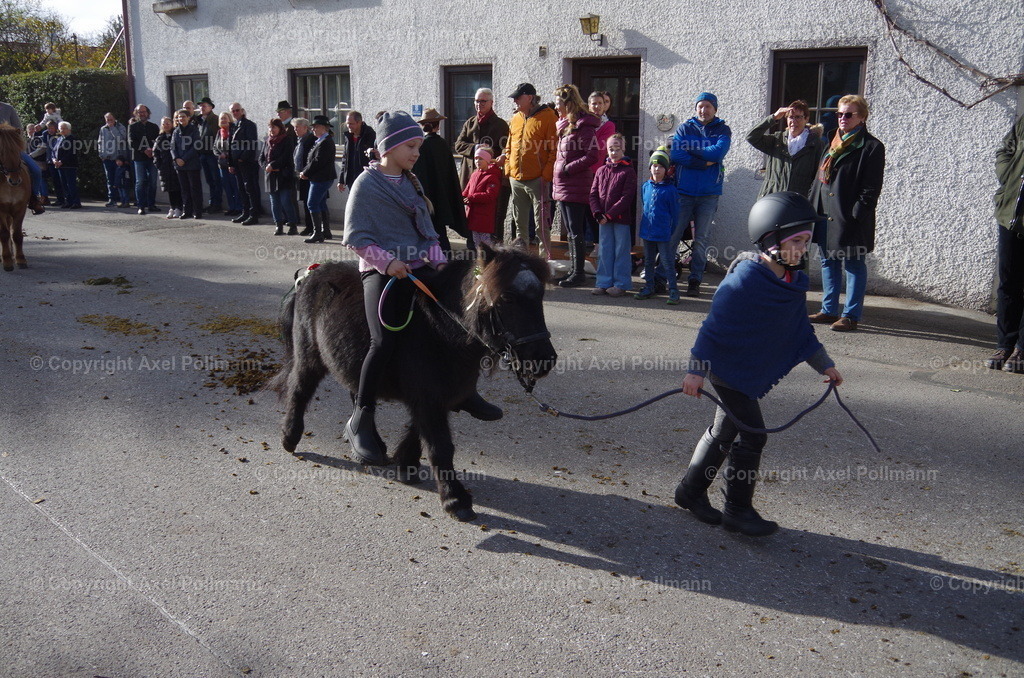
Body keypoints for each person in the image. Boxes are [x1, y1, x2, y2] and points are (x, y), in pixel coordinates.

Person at [678, 191, 842, 536]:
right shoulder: (746, 279)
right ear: (770, 239)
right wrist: (696, 370)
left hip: (744, 371)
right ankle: (737, 509)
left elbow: (800, 331)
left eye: (807, 241)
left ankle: (690, 492)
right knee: (753, 436)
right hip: (725, 367)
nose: (802, 248)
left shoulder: (792, 282)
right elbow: (713, 328)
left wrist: (824, 365)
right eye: (796, 240)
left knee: (724, 431)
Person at [341, 110, 448, 464]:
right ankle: (362, 417)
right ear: (389, 147)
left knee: (455, 320)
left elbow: (427, 231)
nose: (417, 153)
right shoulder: (366, 185)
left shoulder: (412, 182)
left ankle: (461, 391)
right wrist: (387, 263)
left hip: (418, 266)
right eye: (411, 146)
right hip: (381, 271)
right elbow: (357, 238)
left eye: (418, 146)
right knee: (383, 339)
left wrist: (439, 260)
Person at [808, 94, 886, 332]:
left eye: (849, 114)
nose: (842, 118)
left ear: (862, 118)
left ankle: (851, 315)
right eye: (839, 113)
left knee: (853, 263)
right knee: (827, 260)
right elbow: (820, 179)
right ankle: (828, 309)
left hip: (849, 216)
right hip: (823, 211)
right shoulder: (832, 142)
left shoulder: (871, 146)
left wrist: (856, 215)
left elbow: (871, 188)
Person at [666, 92, 732, 298]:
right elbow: (676, 154)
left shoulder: (723, 129)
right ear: (696, 108)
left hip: (708, 195)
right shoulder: (685, 128)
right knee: (673, 236)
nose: (703, 110)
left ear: (715, 109)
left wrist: (692, 150)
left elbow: (718, 153)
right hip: (683, 193)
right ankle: (666, 277)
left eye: (708, 107)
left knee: (701, 239)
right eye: (700, 106)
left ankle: (695, 280)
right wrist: (703, 162)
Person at [551, 84, 601, 286]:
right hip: (564, 184)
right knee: (571, 231)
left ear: (567, 103)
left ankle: (579, 273)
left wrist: (568, 169)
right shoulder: (565, 125)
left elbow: (592, 155)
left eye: (558, 103)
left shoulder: (584, 126)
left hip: (576, 184)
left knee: (575, 230)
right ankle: (573, 270)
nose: (556, 107)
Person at [501, 83, 557, 253]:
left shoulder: (548, 117)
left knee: (541, 225)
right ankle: (521, 259)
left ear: (530, 98)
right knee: (520, 225)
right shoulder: (516, 118)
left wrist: (545, 175)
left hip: (538, 179)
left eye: (519, 97)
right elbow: (509, 146)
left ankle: (545, 262)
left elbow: (554, 150)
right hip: (516, 179)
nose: (515, 100)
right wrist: (508, 170)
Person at [988, 113, 1024, 374]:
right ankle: (1005, 344)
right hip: (1010, 214)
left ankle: (1022, 349)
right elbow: (1006, 150)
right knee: (1008, 283)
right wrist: (1007, 174)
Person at [453, 88, 511, 239]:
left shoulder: (500, 125)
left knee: (492, 215)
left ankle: (494, 250)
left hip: (489, 178)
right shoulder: (470, 122)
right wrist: (474, 149)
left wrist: (490, 155)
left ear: (491, 103)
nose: (479, 104)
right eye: (477, 101)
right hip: (471, 176)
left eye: (483, 101)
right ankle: (473, 246)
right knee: (471, 213)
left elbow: (505, 149)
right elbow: (458, 145)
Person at [412, 107, 467, 251]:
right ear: (438, 125)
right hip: (442, 197)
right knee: (441, 233)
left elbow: (416, 174)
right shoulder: (443, 144)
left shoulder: (420, 147)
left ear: (423, 126)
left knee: (429, 232)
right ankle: (444, 260)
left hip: (426, 197)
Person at [746, 99, 825, 198]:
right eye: (790, 117)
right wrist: (774, 117)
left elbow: (818, 178)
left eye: (798, 117)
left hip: (799, 203)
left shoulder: (816, 144)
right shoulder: (776, 140)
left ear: (806, 118)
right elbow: (751, 137)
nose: (793, 121)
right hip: (772, 200)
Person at [589, 133, 637, 296]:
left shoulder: (628, 171)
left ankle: (621, 283)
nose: (614, 152)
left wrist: (609, 215)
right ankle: (603, 282)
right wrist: (597, 213)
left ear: (623, 148)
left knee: (621, 250)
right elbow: (593, 194)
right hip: (602, 219)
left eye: (617, 149)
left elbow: (626, 198)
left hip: (620, 219)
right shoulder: (601, 170)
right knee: (604, 250)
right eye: (611, 149)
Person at [635, 147, 681, 302]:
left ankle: (673, 290)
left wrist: (669, 231)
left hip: (663, 233)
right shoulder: (645, 187)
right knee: (648, 261)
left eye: (661, 166)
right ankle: (649, 287)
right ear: (650, 167)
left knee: (667, 262)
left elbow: (675, 215)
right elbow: (645, 205)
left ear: (666, 169)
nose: (657, 169)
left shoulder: (670, 190)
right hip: (647, 232)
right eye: (654, 166)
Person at [0, 100, 45, 213]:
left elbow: (18, 129)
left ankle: (34, 199)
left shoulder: (8, 108)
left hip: (11, 149)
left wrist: (15, 144)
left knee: (36, 171)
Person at [297, 115, 337, 243]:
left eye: (316, 127)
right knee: (320, 203)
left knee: (312, 203)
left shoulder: (326, 142)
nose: (313, 129)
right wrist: (305, 171)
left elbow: (318, 161)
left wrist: (305, 172)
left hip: (321, 178)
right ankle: (325, 231)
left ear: (324, 128)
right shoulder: (320, 141)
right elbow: (313, 160)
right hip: (320, 177)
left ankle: (317, 233)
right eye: (312, 127)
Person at [584, 90, 617, 247]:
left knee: (595, 208)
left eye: (600, 103)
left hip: (596, 172)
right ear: (588, 105)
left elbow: (599, 148)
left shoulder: (608, 125)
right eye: (594, 103)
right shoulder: (582, 122)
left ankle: (597, 244)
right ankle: (583, 243)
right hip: (580, 172)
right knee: (581, 208)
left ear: (605, 106)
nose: (597, 106)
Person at [260, 118, 298, 236]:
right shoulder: (267, 141)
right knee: (274, 202)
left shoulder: (287, 140)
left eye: (274, 127)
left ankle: (292, 225)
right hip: (270, 176)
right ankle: (278, 225)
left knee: (286, 201)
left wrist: (273, 165)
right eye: (270, 127)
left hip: (283, 175)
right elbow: (261, 158)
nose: (272, 130)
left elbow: (286, 157)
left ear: (280, 128)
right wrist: (266, 166)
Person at [228, 102, 261, 225]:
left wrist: (242, 158)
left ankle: (254, 214)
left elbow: (251, 143)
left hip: (246, 162)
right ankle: (245, 212)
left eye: (237, 110)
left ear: (242, 111)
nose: (235, 112)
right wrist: (231, 163)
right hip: (236, 162)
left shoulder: (249, 125)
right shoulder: (233, 125)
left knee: (250, 188)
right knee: (241, 188)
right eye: (233, 111)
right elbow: (230, 145)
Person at [462, 145, 502, 247]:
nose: (477, 161)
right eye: (476, 158)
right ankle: (480, 259)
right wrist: (462, 198)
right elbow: (467, 190)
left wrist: (472, 197)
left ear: (487, 160)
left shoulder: (492, 176)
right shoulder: (475, 174)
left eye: (481, 159)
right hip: (473, 214)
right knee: (476, 241)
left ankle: (487, 259)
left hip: (484, 215)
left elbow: (490, 196)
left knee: (485, 243)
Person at [171, 108, 203, 219]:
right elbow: (172, 147)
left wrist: (184, 159)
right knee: (184, 189)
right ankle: (187, 211)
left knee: (194, 188)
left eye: (183, 116)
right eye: (179, 117)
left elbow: (196, 146)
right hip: (180, 165)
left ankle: (197, 211)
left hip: (192, 164)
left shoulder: (194, 130)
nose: (181, 119)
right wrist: (176, 158)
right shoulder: (176, 131)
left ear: (188, 118)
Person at [128, 105, 160, 215]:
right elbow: (132, 142)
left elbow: (158, 141)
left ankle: (151, 205)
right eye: (139, 112)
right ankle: (141, 206)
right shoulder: (132, 127)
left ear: (148, 113)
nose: (142, 114)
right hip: (139, 158)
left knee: (153, 182)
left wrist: (152, 150)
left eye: (144, 111)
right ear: (136, 114)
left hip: (152, 158)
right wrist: (144, 149)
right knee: (140, 182)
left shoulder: (154, 127)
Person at [153, 116, 183, 219]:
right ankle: (172, 207)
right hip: (165, 168)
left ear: (172, 123)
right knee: (170, 189)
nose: (166, 125)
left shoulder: (176, 135)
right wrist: (159, 164)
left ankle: (179, 208)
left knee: (177, 188)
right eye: (164, 123)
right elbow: (155, 152)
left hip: (175, 166)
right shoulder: (160, 138)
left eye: (168, 123)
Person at [98, 112, 130, 208]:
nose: (109, 121)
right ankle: (112, 199)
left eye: (111, 119)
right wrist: (101, 154)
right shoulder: (103, 129)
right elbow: (100, 142)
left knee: (121, 181)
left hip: (118, 159)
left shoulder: (121, 127)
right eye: (107, 120)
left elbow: (121, 139)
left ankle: (123, 200)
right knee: (110, 180)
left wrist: (112, 128)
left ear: (114, 118)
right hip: (107, 159)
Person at [338, 110, 376, 191]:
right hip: (351, 179)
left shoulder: (370, 135)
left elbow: (375, 159)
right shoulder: (348, 137)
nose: (348, 126)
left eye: (351, 124)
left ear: (359, 122)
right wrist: (341, 180)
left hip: (366, 179)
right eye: (347, 123)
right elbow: (345, 159)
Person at [214, 112, 243, 216]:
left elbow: (235, 146)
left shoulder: (233, 131)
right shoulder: (219, 132)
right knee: (227, 187)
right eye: (221, 119)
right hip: (222, 165)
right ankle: (231, 207)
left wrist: (226, 154)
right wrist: (219, 154)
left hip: (232, 164)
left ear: (230, 119)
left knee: (235, 187)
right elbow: (214, 147)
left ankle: (239, 207)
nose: (223, 121)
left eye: (225, 118)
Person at [196, 97, 222, 213]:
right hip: (203, 154)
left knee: (216, 180)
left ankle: (217, 204)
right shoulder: (199, 120)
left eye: (204, 105)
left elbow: (219, 136)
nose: (202, 108)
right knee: (209, 180)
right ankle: (212, 202)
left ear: (211, 107)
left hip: (212, 154)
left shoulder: (215, 119)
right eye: (200, 106)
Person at [292, 117, 316, 236]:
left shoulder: (311, 140)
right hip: (301, 175)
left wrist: (306, 172)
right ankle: (308, 226)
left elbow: (311, 160)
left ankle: (314, 227)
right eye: (294, 127)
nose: (295, 129)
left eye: (297, 127)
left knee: (311, 202)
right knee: (305, 201)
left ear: (305, 128)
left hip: (309, 175)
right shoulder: (300, 140)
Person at [52, 121, 81, 209]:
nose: (62, 130)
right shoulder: (59, 139)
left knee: (71, 184)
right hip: (60, 166)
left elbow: (71, 153)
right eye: (61, 128)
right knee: (64, 184)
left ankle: (76, 202)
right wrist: (54, 160)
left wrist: (61, 161)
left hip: (69, 165)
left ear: (69, 129)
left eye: (64, 128)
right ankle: (68, 201)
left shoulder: (72, 139)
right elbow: (54, 151)